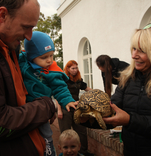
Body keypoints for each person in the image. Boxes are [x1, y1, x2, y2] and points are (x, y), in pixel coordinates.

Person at [83, 23, 151, 156]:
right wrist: (90, 114)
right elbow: (112, 110)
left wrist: (129, 120)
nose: (134, 55)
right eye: (133, 48)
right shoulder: (127, 78)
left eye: (142, 50)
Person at [0, 0, 56, 156]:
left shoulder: (12, 46)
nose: (29, 36)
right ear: (2, 15)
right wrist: (47, 106)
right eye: (26, 27)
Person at [19, 31, 77, 156]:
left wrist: (68, 100)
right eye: (44, 57)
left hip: (41, 110)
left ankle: (49, 151)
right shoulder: (22, 61)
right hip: (23, 108)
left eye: (51, 55)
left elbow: (60, 87)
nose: (49, 60)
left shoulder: (51, 71)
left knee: (46, 134)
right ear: (31, 56)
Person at [57, 60, 94, 156]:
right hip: (65, 108)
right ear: (68, 69)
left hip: (77, 108)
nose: (75, 70)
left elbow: (86, 88)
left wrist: (97, 93)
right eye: (73, 68)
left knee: (82, 131)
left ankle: (83, 152)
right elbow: (58, 94)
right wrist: (59, 110)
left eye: (76, 68)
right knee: (65, 133)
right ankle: (65, 153)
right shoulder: (63, 79)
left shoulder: (78, 80)